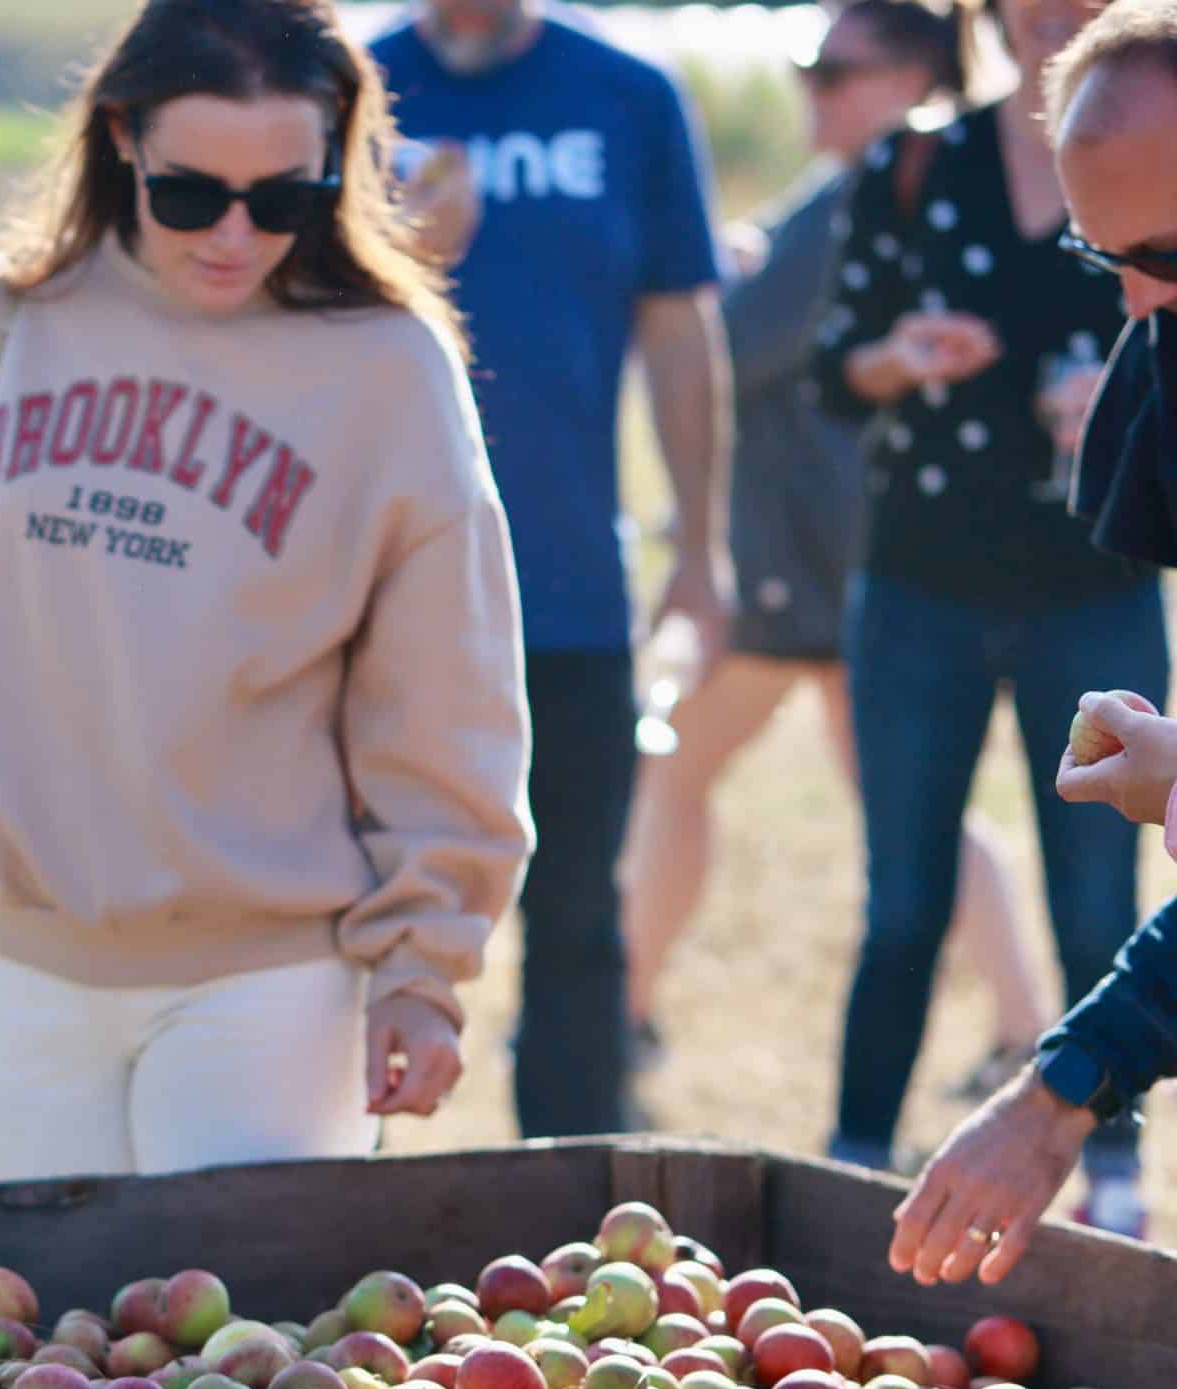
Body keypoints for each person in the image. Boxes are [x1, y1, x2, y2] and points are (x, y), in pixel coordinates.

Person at [0, 0, 535, 1185]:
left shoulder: (389, 367)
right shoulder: (5, 322)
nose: (233, 234)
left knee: (245, 1359)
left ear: (337, 169)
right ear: (121, 139)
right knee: (31, 1359)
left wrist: (423, 969)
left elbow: (446, 698)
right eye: (192, 192)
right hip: (11, 966)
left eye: (284, 199)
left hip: (271, 982)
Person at [619, 0, 1055, 1105]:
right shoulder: (877, 196)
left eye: (836, 71)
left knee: (682, 775)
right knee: (900, 805)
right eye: (805, 67)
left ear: (914, 76)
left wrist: (714, 279)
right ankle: (1025, 1030)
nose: (813, 89)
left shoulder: (858, 204)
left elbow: (718, 345)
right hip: (827, 554)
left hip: (805, 565)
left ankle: (617, 1012)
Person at [809, 0, 1161, 1236]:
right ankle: (854, 1159)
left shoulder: (1150, 162)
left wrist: (1104, 403)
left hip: (1089, 583)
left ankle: (1114, 1180)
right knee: (902, 900)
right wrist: (902, 357)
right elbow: (830, 367)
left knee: (1093, 893)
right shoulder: (917, 160)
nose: (1047, 17)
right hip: (924, 582)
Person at [371, 0, 735, 1141]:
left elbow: (679, 334)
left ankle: (571, 1199)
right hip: (371, 600)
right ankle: (323, 1189)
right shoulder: (341, 92)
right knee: (348, 914)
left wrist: (702, 544)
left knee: (578, 921)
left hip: (570, 588)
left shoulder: (628, 98)